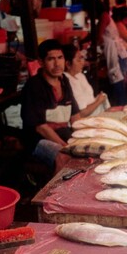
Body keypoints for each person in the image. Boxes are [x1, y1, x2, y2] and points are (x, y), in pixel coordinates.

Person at [20, 39, 80, 170]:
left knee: (87, 153)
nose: (57, 64)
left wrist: (84, 140)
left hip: (62, 133)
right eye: (51, 59)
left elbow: (75, 117)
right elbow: (41, 127)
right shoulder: (33, 86)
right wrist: (66, 147)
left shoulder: (65, 81)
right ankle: (56, 191)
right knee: (64, 157)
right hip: (38, 140)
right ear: (41, 62)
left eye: (60, 58)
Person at [63, 44, 110, 116]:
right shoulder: (67, 81)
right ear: (68, 64)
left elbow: (89, 100)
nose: (82, 62)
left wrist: (98, 99)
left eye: (82, 58)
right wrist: (99, 101)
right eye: (79, 60)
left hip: (96, 113)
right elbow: (82, 113)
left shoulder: (80, 75)